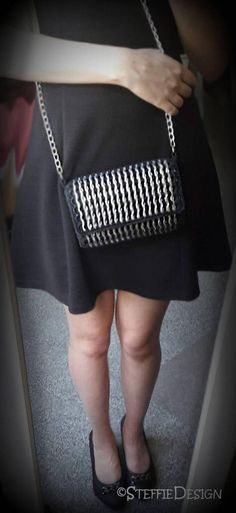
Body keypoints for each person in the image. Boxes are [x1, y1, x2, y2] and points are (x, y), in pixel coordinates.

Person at [0, 0, 232, 509]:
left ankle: (133, 431)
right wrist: (125, 66)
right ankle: (101, 438)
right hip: (70, 153)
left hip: (160, 160)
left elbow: (214, 60)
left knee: (140, 339)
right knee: (87, 338)